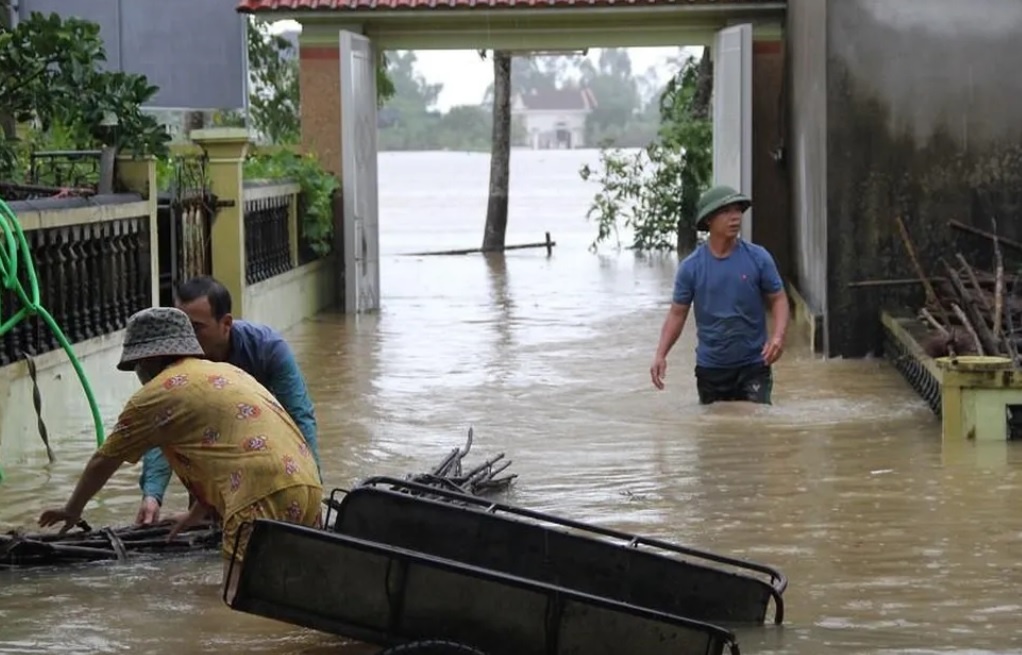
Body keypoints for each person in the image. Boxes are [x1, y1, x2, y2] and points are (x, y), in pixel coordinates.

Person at [38, 307, 323, 601]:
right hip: (307, 483)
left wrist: (73, 509)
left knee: (233, 603)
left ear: (146, 360)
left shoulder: (154, 396)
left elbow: (104, 460)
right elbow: (230, 454)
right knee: (292, 591)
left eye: (136, 367)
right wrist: (196, 512)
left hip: (259, 492)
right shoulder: (225, 372)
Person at [136, 276, 320, 525]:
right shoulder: (174, 359)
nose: (186, 338)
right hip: (208, 465)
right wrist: (152, 495)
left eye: (196, 328)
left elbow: (300, 418)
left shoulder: (268, 349)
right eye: (181, 328)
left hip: (262, 463)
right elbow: (164, 427)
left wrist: (313, 489)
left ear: (226, 324)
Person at [650, 185, 789, 405]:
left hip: (754, 364)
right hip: (711, 368)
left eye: (737, 211)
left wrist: (778, 337)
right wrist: (661, 354)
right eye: (726, 212)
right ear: (708, 220)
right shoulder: (691, 268)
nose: (735, 218)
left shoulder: (758, 258)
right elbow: (677, 314)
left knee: (756, 426)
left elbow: (778, 299)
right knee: (715, 433)